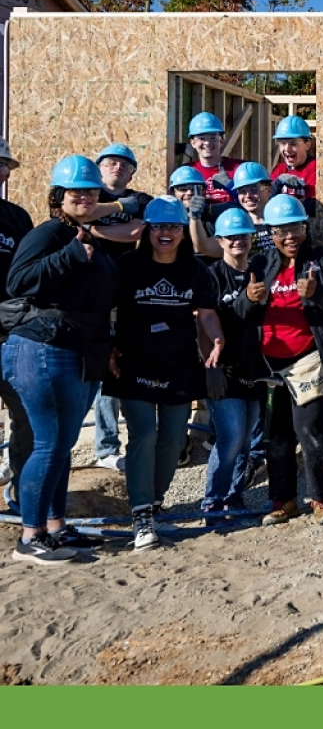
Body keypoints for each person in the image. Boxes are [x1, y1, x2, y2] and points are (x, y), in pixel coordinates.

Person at [4, 155, 119, 563]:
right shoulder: (50, 232)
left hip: (78, 350)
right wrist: (70, 256)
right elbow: (17, 281)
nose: (85, 196)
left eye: (91, 190)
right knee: (49, 444)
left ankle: (55, 528)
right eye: (76, 191)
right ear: (58, 197)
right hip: (44, 349)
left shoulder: (88, 237)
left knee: (63, 446)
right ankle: (30, 536)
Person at [105, 196, 224, 550]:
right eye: (158, 226)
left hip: (179, 362)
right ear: (147, 230)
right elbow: (104, 308)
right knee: (143, 435)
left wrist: (216, 339)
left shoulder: (195, 270)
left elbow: (205, 313)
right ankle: (141, 513)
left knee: (173, 439)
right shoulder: (127, 267)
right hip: (134, 362)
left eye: (173, 226)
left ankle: (154, 501)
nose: (166, 232)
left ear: (183, 232)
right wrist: (108, 346)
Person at [235, 194, 323, 526]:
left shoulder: (322, 259)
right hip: (270, 366)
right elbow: (240, 314)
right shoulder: (259, 265)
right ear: (269, 234)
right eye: (281, 231)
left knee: (310, 429)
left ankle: (322, 499)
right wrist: (247, 299)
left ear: (305, 228)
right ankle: (282, 501)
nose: (290, 237)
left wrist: (317, 295)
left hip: (310, 361)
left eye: (296, 228)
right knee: (277, 434)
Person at [88, 143, 152, 472]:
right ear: (100, 168)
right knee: (103, 375)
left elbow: (136, 232)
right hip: (92, 301)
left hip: (129, 299)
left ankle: (135, 444)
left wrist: (91, 226)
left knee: (129, 370)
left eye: (124, 165)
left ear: (131, 172)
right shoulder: (86, 194)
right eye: (111, 163)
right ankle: (106, 448)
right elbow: (71, 218)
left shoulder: (141, 201)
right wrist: (102, 215)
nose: (118, 168)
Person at [201, 208, 267, 520]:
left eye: (243, 235)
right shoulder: (211, 276)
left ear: (252, 238)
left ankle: (233, 497)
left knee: (245, 442)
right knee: (230, 438)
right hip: (222, 367)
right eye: (231, 236)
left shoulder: (260, 271)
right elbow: (210, 322)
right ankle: (213, 501)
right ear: (220, 241)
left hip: (253, 368)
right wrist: (247, 301)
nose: (237, 241)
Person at [0, 138, 33, 498]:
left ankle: (24, 493)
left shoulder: (17, 218)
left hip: (11, 336)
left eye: (2, 164)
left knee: (26, 418)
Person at [185, 112, 243, 207]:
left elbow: (254, 202)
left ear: (221, 141)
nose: (207, 143)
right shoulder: (187, 171)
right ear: (193, 143)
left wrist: (229, 186)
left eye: (213, 138)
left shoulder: (239, 169)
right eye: (202, 138)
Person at [271, 115, 317, 204]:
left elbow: (314, 206)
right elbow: (266, 201)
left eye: (293, 144)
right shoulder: (279, 170)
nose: (287, 149)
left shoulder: (315, 169)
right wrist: (276, 184)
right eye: (283, 143)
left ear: (307, 145)